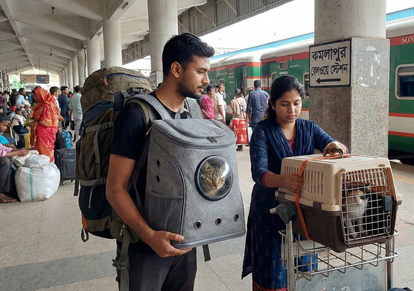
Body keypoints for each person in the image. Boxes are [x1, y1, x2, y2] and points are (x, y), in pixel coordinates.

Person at [106, 33, 215, 291]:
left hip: (186, 241)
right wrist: (149, 236)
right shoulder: (137, 114)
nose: (207, 80)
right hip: (143, 246)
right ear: (176, 69)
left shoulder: (194, 112)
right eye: (200, 71)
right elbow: (115, 188)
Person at [241, 75, 349, 290]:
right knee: (273, 270)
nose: (291, 110)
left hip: (303, 210)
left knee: (306, 268)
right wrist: (282, 180)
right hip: (270, 209)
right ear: (272, 104)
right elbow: (259, 172)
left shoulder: (309, 128)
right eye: (284, 104)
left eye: (297, 103)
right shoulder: (262, 131)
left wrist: (335, 146)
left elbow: (339, 147)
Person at [0, 113, 29, 203]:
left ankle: (9, 190)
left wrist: (13, 150)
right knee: (3, 161)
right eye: (4, 125)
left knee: (7, 158)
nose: (6, 128)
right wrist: (17, 152)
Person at [32, 87, 64, 162]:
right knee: (49, 147)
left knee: (43, 148)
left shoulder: (44, 105)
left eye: (35, 95)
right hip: (51, 130)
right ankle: (50, 161)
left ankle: (44, 163)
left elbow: (41, 119)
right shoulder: (51, 103)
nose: (34, 98)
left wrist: (34, 121)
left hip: (44, 131)